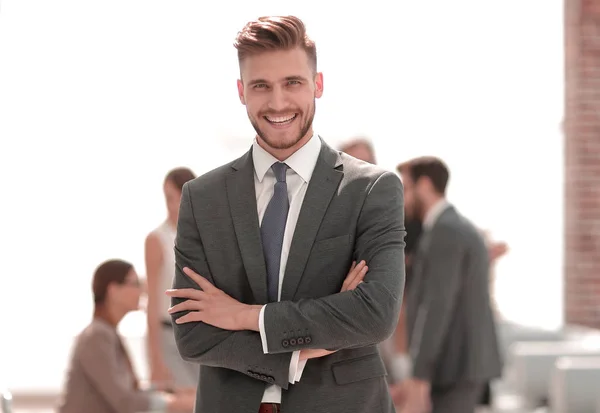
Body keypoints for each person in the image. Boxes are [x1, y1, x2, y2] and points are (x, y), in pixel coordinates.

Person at [165, 15, 406, 413]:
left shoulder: (372, 190)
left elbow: (374, 315)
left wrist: (243, 316)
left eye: (292, 82)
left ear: (318, 85)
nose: (278, 103)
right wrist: (306, 348)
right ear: (242, 92)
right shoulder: (202, 197)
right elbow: (192, 334)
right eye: (261, 86)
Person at [395, 157, 502, 413]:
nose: (404, 198)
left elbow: (436, 305)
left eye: (406, 188)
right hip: (456, 366)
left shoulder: (446, 231)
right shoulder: (448, 227)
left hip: (456, 367)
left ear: (424, 185)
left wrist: (419, 374)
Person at [57, 259, 195, 413]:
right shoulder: (97, 336)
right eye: (135, 283)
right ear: (113, 290)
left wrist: (170, 390)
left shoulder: (107, 333)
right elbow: (125, 403)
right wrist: (179, 404)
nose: (142, 290)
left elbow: (128, 392)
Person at [145, 167, 198, 390]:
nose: (171, 205)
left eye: (175, 198)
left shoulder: (203, 237)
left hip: (200, 334)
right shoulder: (157, 239)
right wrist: (155, 359)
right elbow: (152, 300)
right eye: (167, 198)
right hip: (169, 336)